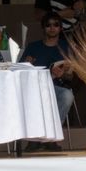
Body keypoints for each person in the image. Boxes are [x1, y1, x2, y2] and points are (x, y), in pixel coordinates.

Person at [19, 12, 74, 152]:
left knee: (67, 96)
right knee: (28, 97)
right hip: (35, 88)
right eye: (48, 25)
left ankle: (51, 137)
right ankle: (34, 139)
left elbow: (71, 76)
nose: (52, 28)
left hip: (56, 87)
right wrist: (26, 65)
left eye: (56, 24)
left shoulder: (65, 46)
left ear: (61, 28)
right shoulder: (33, 47)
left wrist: (63, 73)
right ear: (43, 28)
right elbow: (19, 72)